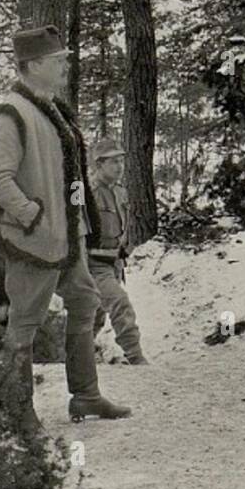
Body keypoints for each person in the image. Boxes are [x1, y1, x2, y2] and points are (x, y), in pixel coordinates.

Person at [0, 24, 133, 429]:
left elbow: (71, 177)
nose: (66, 66)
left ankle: (85, 396)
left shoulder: (51, 108)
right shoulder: (12, 113)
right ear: (32, 65)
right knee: (24, 323)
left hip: (68, 239)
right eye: (57, 61)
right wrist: (30, 215)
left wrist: (82, 219)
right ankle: (16, 411)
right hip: (34, 242)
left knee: (85, 302)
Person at [87, 137, 148, 365]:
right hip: (93, 264)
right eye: (113, 162)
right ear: (99, 164)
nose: (119, 167)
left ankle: (77, 355)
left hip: (113, 264)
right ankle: (135, 356)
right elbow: (75, 230)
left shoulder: (121, 192)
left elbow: (122, 227)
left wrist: (124, 251)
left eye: (121, 161)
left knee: (94, 314)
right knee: (119, 302)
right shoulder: (87, 193)